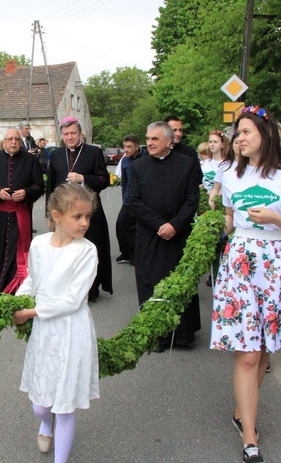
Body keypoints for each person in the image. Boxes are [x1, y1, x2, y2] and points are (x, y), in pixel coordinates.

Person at [210, 105, 281, 463]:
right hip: (240, 263)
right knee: (248, 352)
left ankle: (245, 409)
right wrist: (210, 230)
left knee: (266, 348)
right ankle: (250, 435)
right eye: (237, 133)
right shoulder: (229, 173)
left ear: (266, 135)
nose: (238, 139)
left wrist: (276, 218)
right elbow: (228, 218)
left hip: (279, 266)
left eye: (245, 132)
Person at [13, 182, 99, 463]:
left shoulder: (87, 251)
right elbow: (32, 282)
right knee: (41, 404)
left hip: (72, 330)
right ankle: (44, 423)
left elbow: (74, 300)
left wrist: (30, 313)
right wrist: (14, 303)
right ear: (56, 215)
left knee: (64, 407)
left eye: (87, 216)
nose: (84, 223)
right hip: (45, 331)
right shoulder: (38, 244)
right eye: (78, 216)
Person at [129, 121, 202, 351]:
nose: (149, 143)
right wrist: (160, 224)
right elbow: (133, 201)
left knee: (180, 282)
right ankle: (156, 335)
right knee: (151, 283)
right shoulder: (138, 166)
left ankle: (182, 335)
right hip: (150, 235)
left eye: (154, 139)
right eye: (148, 138)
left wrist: (175, 225)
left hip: (178, 235)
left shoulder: (187, 164)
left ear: (168, 142)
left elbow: (192, 200)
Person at [47, 116, 112, 301]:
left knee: (91, 249)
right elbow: (50, 186)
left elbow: (104, 180)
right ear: (62, 135)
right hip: (64, 214)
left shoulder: (93, 152)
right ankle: (68, 288)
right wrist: (50, 214)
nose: (70, 137)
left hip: (89, 213)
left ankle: (91, 289)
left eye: (73, 133)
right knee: (66, 250)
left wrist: (84, 179)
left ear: (80, 133)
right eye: (66, 134)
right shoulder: (58, 154)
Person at [0, 127, 44, 293]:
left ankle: (20, 285)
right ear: (3, 142)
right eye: (10, 139)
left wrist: (26, 193)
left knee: (19, 250)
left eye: (16, 139)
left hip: (20, 213)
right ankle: (2, 284)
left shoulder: (30, 160)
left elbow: (39, 186)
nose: (14, 142)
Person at [115, 135, 143, 265]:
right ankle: (125, 252)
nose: (126, 150)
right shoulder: (125, 161)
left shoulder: (145, 159)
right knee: (121, 225)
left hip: (142, 201)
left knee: (137, 228)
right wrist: (124, 199)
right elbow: (124, 183)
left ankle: (135, 254)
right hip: (128, 200)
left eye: (129, 147)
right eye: (124, 146)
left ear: (137, 146)